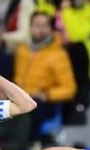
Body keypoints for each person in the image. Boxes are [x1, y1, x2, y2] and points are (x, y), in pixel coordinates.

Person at [14, 12, 77, 142]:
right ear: (30, 27)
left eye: (45, 25)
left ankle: (28, 144)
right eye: (37, 25)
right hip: (19, 96)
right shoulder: (22, 50)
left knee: (31, 109)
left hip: (43, 101)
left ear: (51, 28)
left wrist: (47, 94)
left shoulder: (58, 54)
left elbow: (70, 88)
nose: (41, 30)